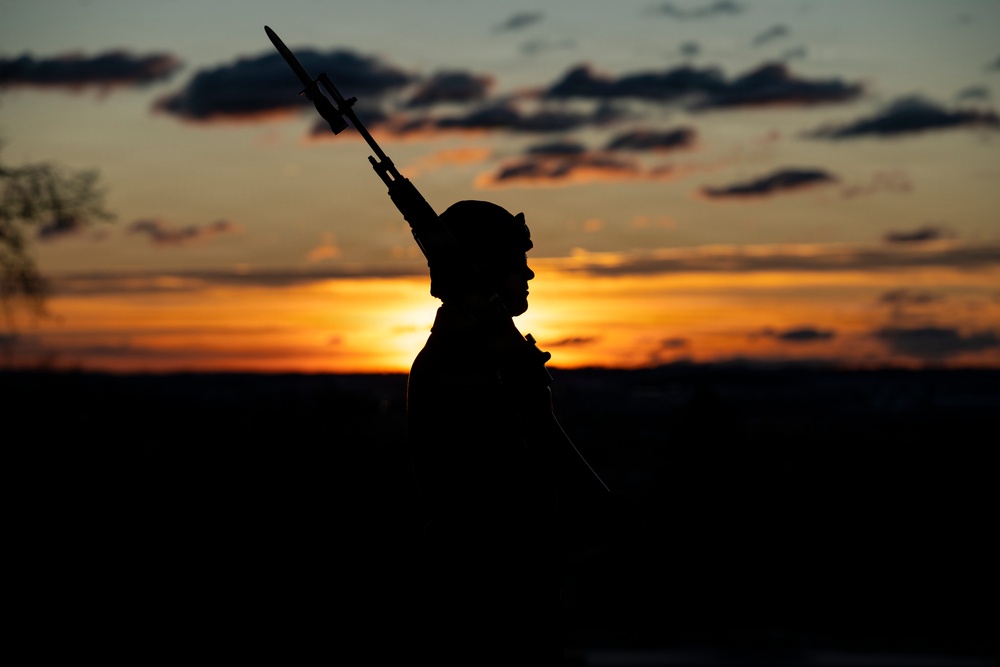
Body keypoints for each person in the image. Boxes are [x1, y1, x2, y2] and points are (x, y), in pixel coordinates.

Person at [406, 200, 569, 665]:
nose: (530, 274)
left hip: (511, 584)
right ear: (485, 266)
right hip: (489, 596)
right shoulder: (466, 361)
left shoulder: (491, 353)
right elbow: (499, 487)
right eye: (518, 260)